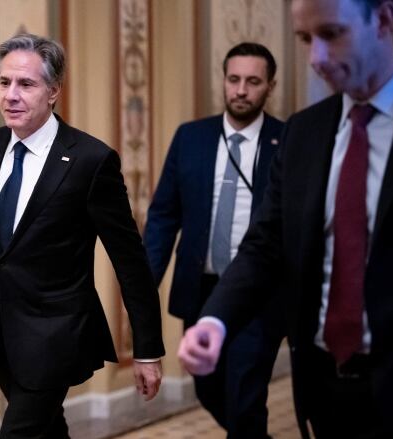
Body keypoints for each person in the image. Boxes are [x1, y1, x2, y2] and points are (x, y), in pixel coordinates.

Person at [178, 0, 393, 437]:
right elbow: (266, 243)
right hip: (324, 390)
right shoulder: (304, 132)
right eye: (305, 39)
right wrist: (215, 319)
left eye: (332, 34)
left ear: (383, 17)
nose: (316, 59)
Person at [0, 33, 165, 438]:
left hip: (57, 336)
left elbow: (129, 261)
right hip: (0, 333)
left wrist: (147, 349)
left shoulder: (91, 161)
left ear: (54, 90)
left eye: (26, 84)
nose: (11, 95)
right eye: (5, 82)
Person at [144, 42, 284, 439]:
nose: (241, 90)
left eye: (253, 82)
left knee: (244, 392)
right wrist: (144, 281)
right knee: (207, 388)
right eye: (234, 79)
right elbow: (163, 216)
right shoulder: (191, 138)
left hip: (259, 294)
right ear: (223, 81)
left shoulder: (287, 140)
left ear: (269, 86)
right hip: (201, 289)